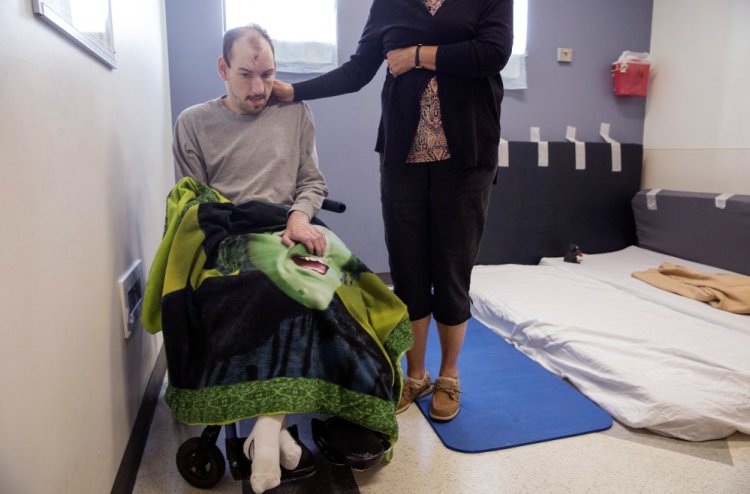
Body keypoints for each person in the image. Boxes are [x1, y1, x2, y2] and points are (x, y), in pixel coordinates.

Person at [273, 0, 513, 422]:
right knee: (408, 272)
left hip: (467, 159)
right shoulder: (388, 3)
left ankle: (449, 376)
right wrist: (295, 91)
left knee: (452, 272)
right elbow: (357, 70)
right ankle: (415, 374)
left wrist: (418, 55)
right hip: (403, 162)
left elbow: (493, 53)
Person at [171, 25, 330, 493]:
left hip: (290, 225)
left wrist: (300, 219)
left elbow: (313, 183)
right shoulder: (193, 123)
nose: (259, 88)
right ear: (222, 69)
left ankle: (266, 428)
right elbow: (195, 205)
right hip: (230, 232)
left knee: (341, 283)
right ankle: (271, 429)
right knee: (272, 281)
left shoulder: (297, 112)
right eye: (245, 74)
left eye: (268, 74)